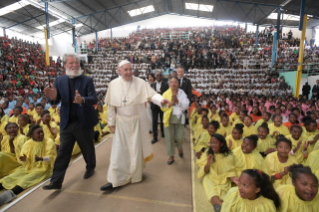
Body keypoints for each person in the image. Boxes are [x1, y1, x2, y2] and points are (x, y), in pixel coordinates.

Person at [101, 60, 170, 191]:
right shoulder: (113, 84)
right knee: (119, 150)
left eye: (130, 69)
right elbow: (110, 106)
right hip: (121, 122)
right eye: (125, 70)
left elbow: (152, 95)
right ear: (119, 71)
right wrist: (111, 123)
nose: (128, 72)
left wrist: (161, 100)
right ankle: (115, 179)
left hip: (136, 121)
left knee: (135, 149)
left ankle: (135, 175)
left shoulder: (140, 82)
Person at [42, 53, 98, 190]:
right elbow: (55, 99)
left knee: (87, 148)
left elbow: (94, 99)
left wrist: (82, 100)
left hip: (83, 122)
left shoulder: (87, 80)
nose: (74, 65)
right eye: (71, 63)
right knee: (63, 151)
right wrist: (54, 98)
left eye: (76, 63)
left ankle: (90, 167)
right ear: (65, 65)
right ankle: (56, 181)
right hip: (67, 122)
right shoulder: (59, 80)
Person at [0, 125, 57, 206]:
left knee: (26, 180)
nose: (41, 134)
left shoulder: (49, 141)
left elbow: (52, 158)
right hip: (27, 167)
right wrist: (24, 160)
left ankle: (6, 196)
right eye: (38, 133)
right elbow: (24, 161)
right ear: (32, 135)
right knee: (11, 177)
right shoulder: (28, 143)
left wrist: (41, 159)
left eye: (42, 132)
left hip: (43, 168)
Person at [196, 134, 237, 212]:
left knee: (226, 194)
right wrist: (208, 164)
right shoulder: (208, 152)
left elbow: (229, 171)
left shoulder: (229, 155)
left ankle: (222, 207)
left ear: (221, 144)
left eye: (214, 143)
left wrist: (233, 178)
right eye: (211, 143)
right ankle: (224, 208)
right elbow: (205, 171)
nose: (212, 145)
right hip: (210, 177)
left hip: (224, 179)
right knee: (213, 193)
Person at [161, 77, 189, 165]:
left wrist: (177, 101)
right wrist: (171, 103)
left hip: (179, 118)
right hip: (168, 118)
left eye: (175, 82)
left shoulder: (182, 93)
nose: (173, 84)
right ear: (169, 84)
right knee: (169, 138)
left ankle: (179, 147)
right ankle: (171, 155)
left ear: (178, 84)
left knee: (180, 137)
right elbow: (162, 108)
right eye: (171, 82)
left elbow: (186, 105)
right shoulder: (165, 94)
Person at [150, 71, 168, 144]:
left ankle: (163, 132)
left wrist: (161, 93)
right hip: (154, 104)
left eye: (160, 75)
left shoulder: (166, 84)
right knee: (154, 121)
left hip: (162, 104)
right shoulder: (152, 84)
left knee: (162, 119)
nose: (159, 77)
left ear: (162, 76)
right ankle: (155, 136)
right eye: (157, 75)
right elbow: (150, 94)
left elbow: (167, 93)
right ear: (155, 76)